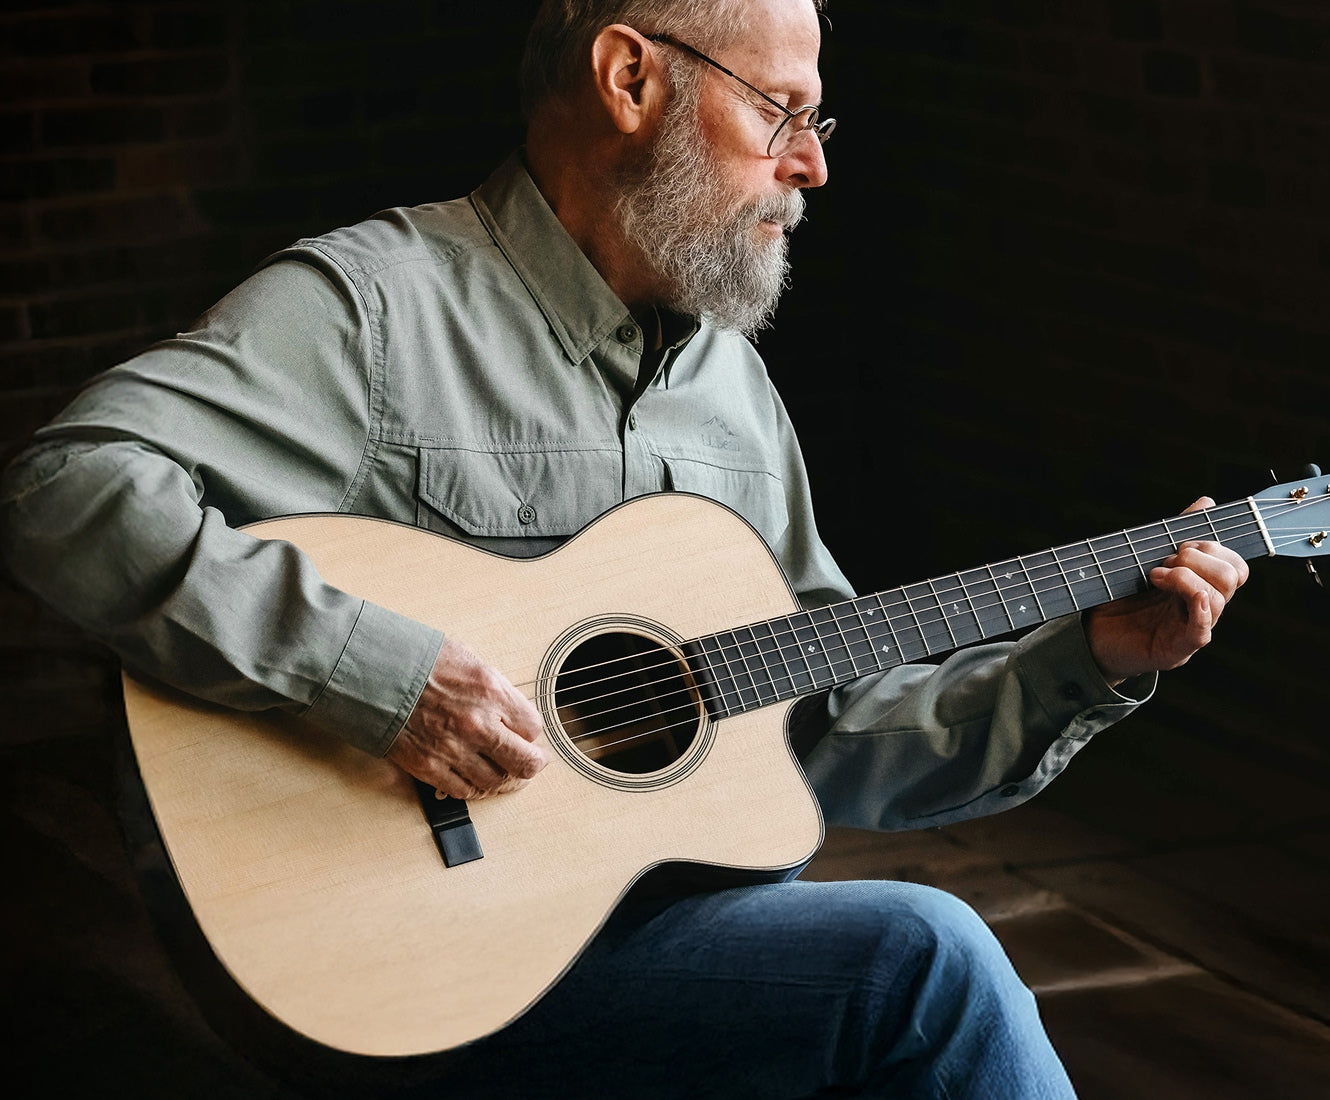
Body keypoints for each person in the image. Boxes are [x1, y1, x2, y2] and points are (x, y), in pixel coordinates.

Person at [0, 1, 1249, 1096]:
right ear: (630, 78)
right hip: (400, 969)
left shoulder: (733, 395)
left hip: (667, 949)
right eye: (780, 110)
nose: (810, 165)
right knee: (922, 961)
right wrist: (380, 677)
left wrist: (1085, 657)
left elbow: (833, 738)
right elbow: (66, 485)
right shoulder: (377, 308)